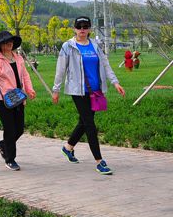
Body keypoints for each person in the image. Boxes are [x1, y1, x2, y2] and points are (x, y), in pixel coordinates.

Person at [52, 16, 126, 175]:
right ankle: (99, 161)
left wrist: (115, 82)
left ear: (90, 29)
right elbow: (60, 70)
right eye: (79, 27)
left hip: (95, 90)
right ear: (74, 29)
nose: (82, 30)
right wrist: (56, 90)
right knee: (90, 125)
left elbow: (106, 65)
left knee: (84, 122)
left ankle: (68, 147)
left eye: (85, 26)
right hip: (77, 91)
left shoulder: (96, 46)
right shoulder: (68, 47)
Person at [0, 30, 36, 171]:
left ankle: (3, 145)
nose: (9, 44)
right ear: (0, 45)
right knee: (9, 129)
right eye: (5, 42)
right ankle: (10, 159)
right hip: (4, 100)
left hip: (19, 98)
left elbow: (25, 75)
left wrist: (29, 89)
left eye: (10, 41)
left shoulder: (18, 58)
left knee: (19, 129)